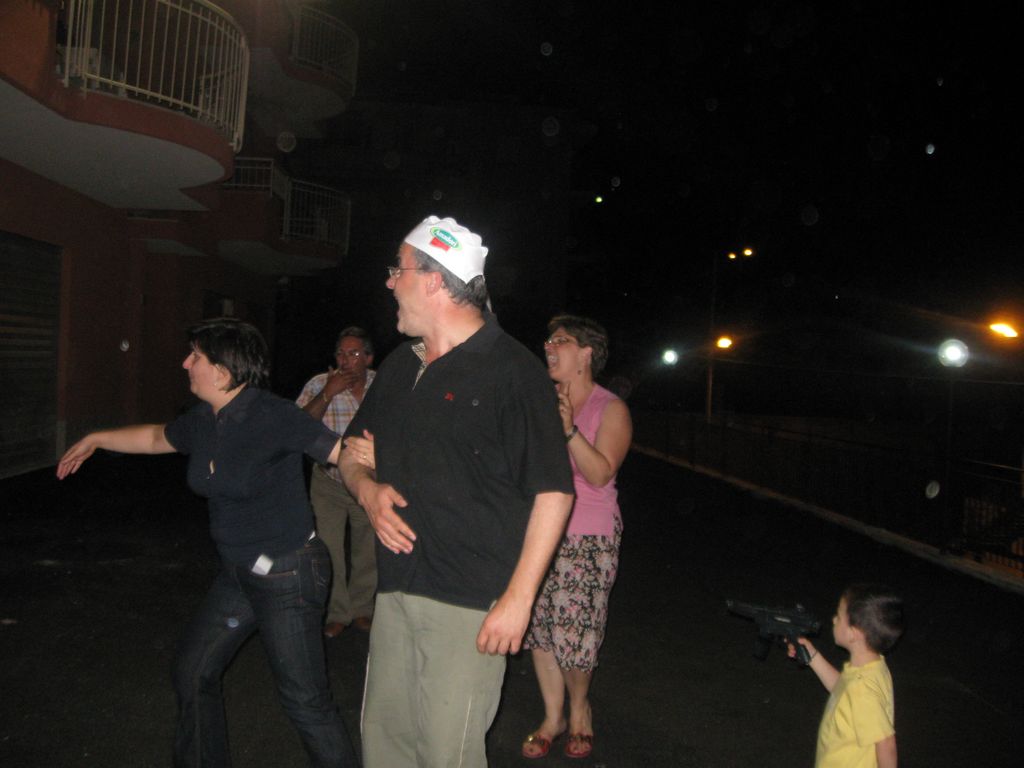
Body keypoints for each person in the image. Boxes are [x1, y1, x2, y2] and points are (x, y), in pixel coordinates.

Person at [56, 318, 358, 768]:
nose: (185, 363)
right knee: (193, 671)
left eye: (195, 356)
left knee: (305, 702)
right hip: (239, 573)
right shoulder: (204, 419)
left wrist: (371, 480)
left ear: (221, 370)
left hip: (288, 574)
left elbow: (340, 454)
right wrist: (96, 438)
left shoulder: (272, 415)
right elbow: (156, 437)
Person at [338, 215, 575, 768]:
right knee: (386, 746)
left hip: (470, 603)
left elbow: (553, 491)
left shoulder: (512, 371)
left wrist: (518, 600)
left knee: (448, 755)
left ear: (434, 281)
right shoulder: (401, 365)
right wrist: (368, 490)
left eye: (399, 269)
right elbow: (351, 451)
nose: (390, 281)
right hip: (396, 589)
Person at [520, 315, 633, 760]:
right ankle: (553, 717)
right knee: (540, 629)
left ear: (586, 353)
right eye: (548, 340)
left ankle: (580, 708)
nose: (549, 346)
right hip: (538, 529)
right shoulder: (541, 403)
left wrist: (568, 428)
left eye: (561, 340)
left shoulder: (611, 408)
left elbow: (600, 472)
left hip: (587, 534)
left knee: (576, 634)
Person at [297, 327, 377, 638]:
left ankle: (362, 609)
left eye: (354, 353)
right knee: (329, 548)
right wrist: (328, 393)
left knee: (367, 548)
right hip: (328, 482)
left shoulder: (382, 383)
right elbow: (297, 427)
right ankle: (337, 612)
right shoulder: (319, 384)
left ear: (368, 358)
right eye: (341, 353)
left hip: (368, 481)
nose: (345, 360)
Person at [788, 584, 905, 768]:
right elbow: (842, 689)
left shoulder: (862, 689)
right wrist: (811, 655)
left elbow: (886, 743)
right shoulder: (872, 668)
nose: (834, 619)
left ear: (853, 633)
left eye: (839, 616)